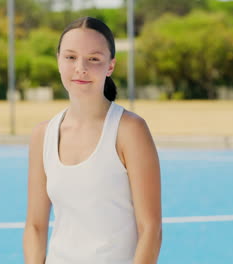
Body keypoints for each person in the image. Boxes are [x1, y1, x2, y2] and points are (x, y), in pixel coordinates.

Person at [23, 16, 162, 264]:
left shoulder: (130, 130)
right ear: (58, 61)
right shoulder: (42, 135)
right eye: (70, 57)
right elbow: (35, 226)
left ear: (110, 66)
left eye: (94, 59)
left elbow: (151, 229)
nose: (81, 67)